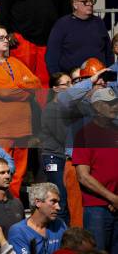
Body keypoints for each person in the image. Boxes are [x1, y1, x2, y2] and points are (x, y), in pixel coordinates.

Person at [0, 24, 41, 198]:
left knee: (18, 175)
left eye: (6, 38)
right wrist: (24, 88)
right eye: (1, 38)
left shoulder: (14, 62)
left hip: (22, 129)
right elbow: (5, 92)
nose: (6, 41)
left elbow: (36, 84)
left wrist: (18, 86)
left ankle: (14, 207)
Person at [72, 87, 118, 252]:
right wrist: (112, 198)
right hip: (97, 208)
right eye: (110, 103)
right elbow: (83, 176)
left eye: (115, 102)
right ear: (97, 107)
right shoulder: (84, 134)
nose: (115, 106)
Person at [46, 0, 113, 74]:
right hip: (73, 80)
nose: (90, 4)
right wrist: (59, 79)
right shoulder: (62, 24)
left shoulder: (99, 22)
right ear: (75, 5)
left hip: (99, 78)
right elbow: (52, 55)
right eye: (85, 1)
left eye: (91, 1)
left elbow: (108, 51)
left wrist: (109, 73)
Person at [40, 72, 78, 225]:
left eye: (72, 83)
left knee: (67, 198)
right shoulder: (51, 109)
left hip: (64, 157)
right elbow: (64, 136)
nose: (71, 87)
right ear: (55, 88)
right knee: (59, 198)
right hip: (53, 158)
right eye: (66, 84)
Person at [7, 182, 67, 254]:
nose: (58, 208)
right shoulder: (19, 231)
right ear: (38, 202)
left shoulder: (59, 225)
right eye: (53, 202)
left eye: (58, 202)